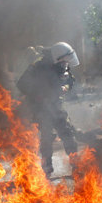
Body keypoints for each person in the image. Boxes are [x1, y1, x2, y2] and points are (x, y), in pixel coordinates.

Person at [16, 42, 80, 176]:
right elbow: (21, 84)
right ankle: (47, 166)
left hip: (56, 105)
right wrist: (37, 93)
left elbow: (71, 81)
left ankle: (75, 163)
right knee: (46, 137)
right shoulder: (38, 66)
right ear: (57, 57)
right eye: (65, 59)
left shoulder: (63, 65)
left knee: (67, 132)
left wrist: (65, 88)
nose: (67, 62)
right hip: (41, 108)